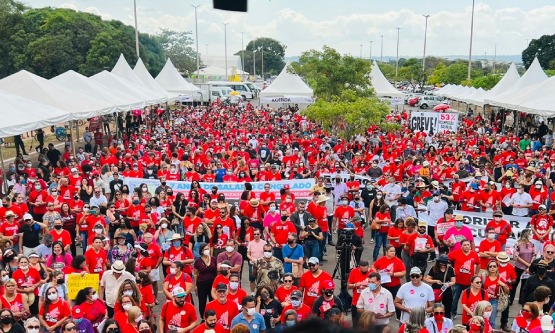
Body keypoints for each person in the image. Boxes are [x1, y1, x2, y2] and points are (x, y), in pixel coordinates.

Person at [448, 239, 480, 319]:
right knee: (454, 298)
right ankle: (452, 313)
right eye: (464, 245)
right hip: (457, 281)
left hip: (470, 282)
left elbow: (478, 264)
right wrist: (451, 269)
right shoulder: (456, 253)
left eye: (468, 245)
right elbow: (447, 259)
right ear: (461, 246)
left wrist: (476, 274)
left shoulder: (474, 254)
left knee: (470, 299)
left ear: (470, 246)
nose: (466, 246)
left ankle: (469, 313)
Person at [424, 255, 456, 319]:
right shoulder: (433, 268)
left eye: (444, 264)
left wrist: (448, 284)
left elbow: (453, 281)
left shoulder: (450, 269)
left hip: (447, 291)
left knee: (447, 308)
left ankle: (447, 321)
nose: (443, 266)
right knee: (435, 308)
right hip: (436, 291)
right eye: (441, 264)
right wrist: (436, 281)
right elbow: (427, 279)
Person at [347, 260, 372, 326]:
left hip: (368, 302)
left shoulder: (372, 273)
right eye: (362, 269)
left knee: (367, 324)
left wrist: (367, 286)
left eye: (366, 269)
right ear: (359, 267)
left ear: (368, 267)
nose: (364, 271)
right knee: (356, 324)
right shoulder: (354, 271)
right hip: (356, 302)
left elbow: (377, 286)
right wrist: (355, 285)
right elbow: (348, 286)